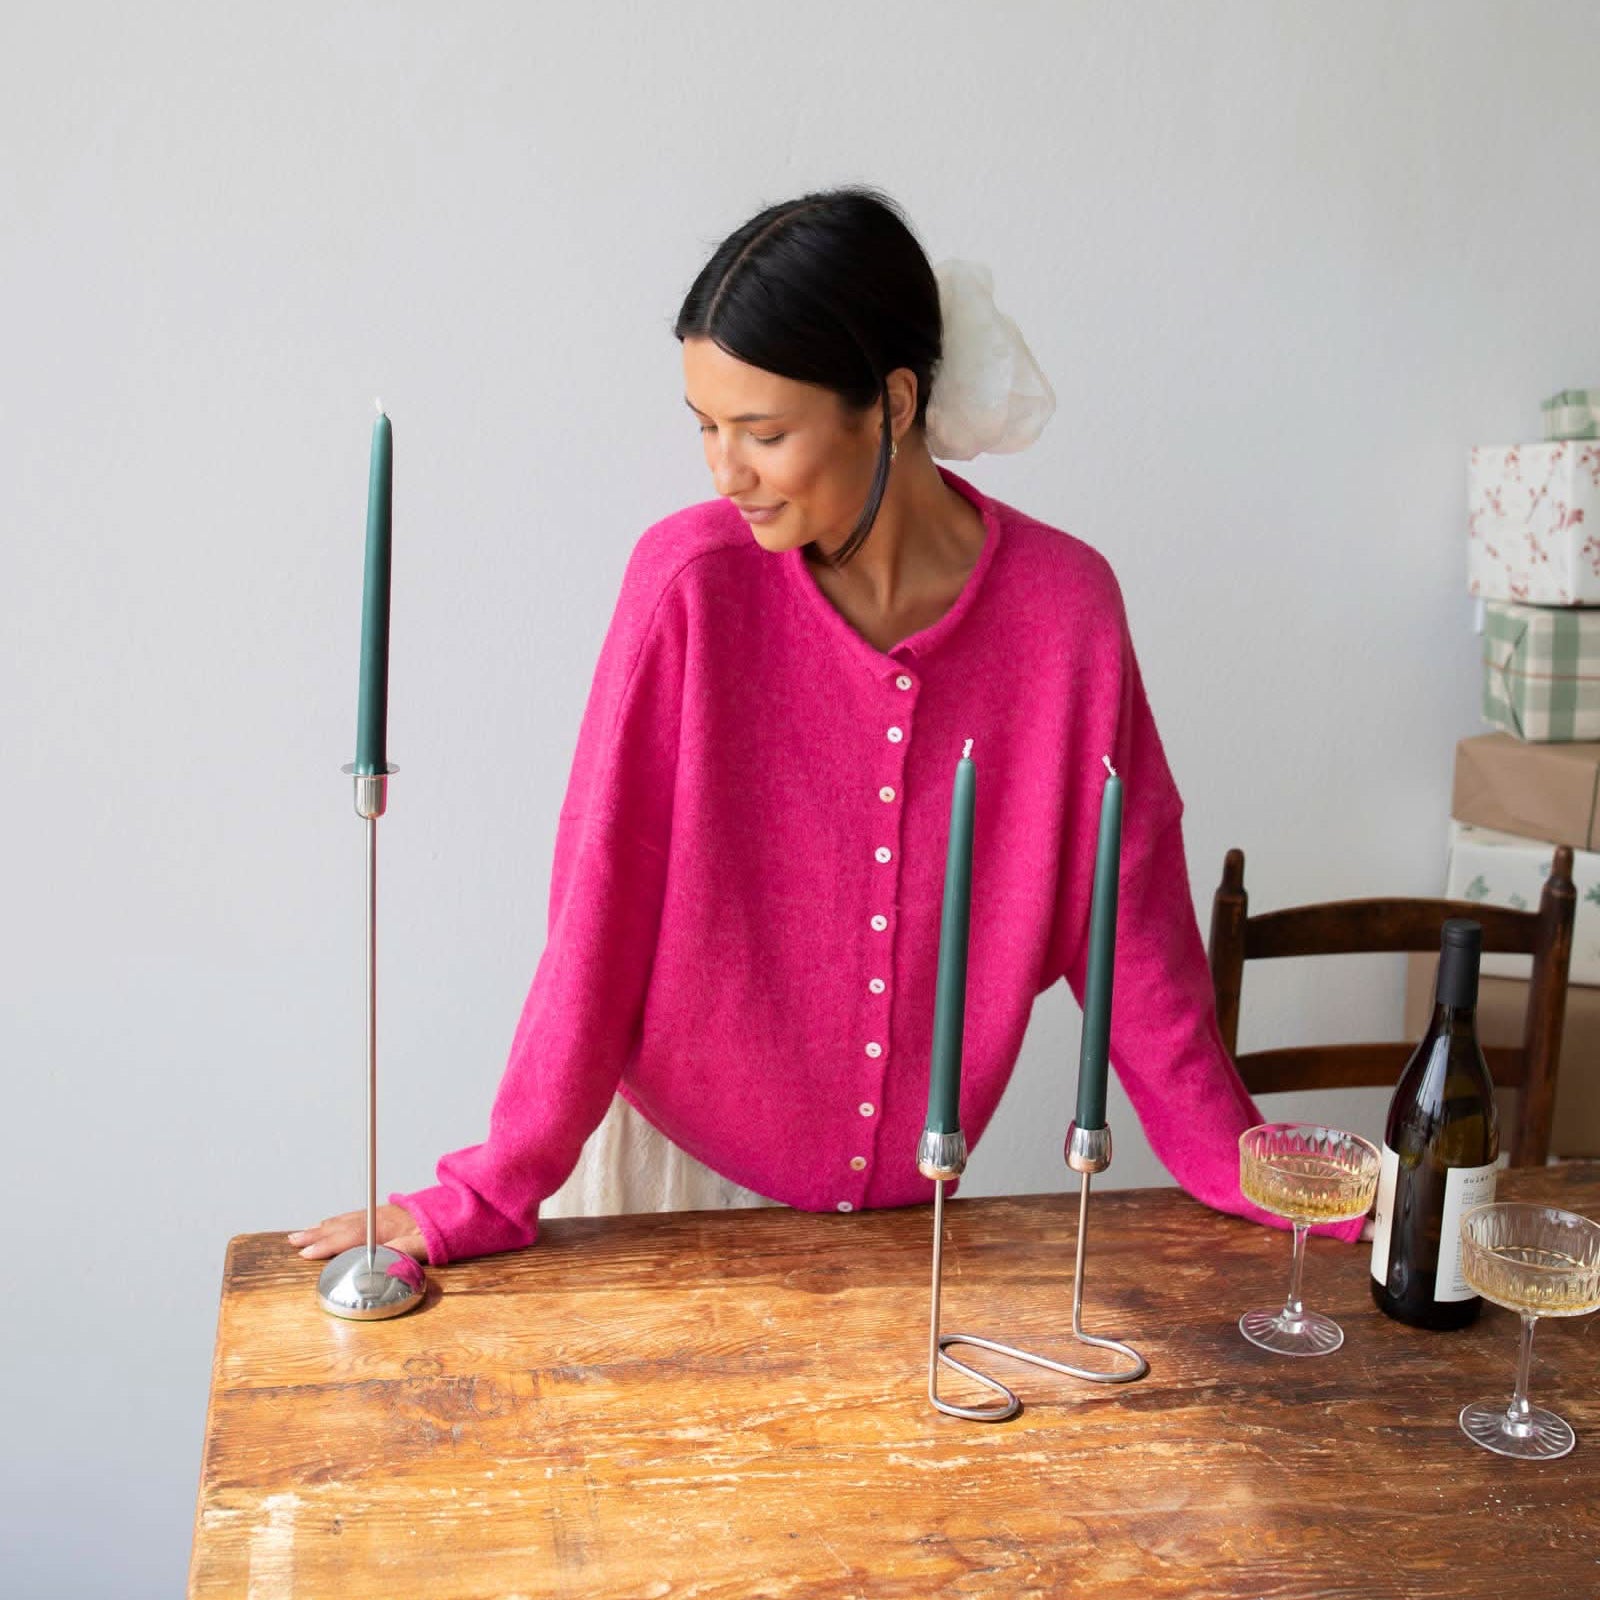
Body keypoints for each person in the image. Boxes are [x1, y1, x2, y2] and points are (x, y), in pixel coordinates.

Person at [289, 186, 1363, 1269]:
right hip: (670, 1193)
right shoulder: (688, 587)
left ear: (892, 404)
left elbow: (1134, 940)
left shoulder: (1064, 613)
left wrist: (1259, 1168)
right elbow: (596, 912)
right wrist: (487, 1187)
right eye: (706, 427)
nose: (724, 471)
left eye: (762, 433)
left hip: (909, 1227)